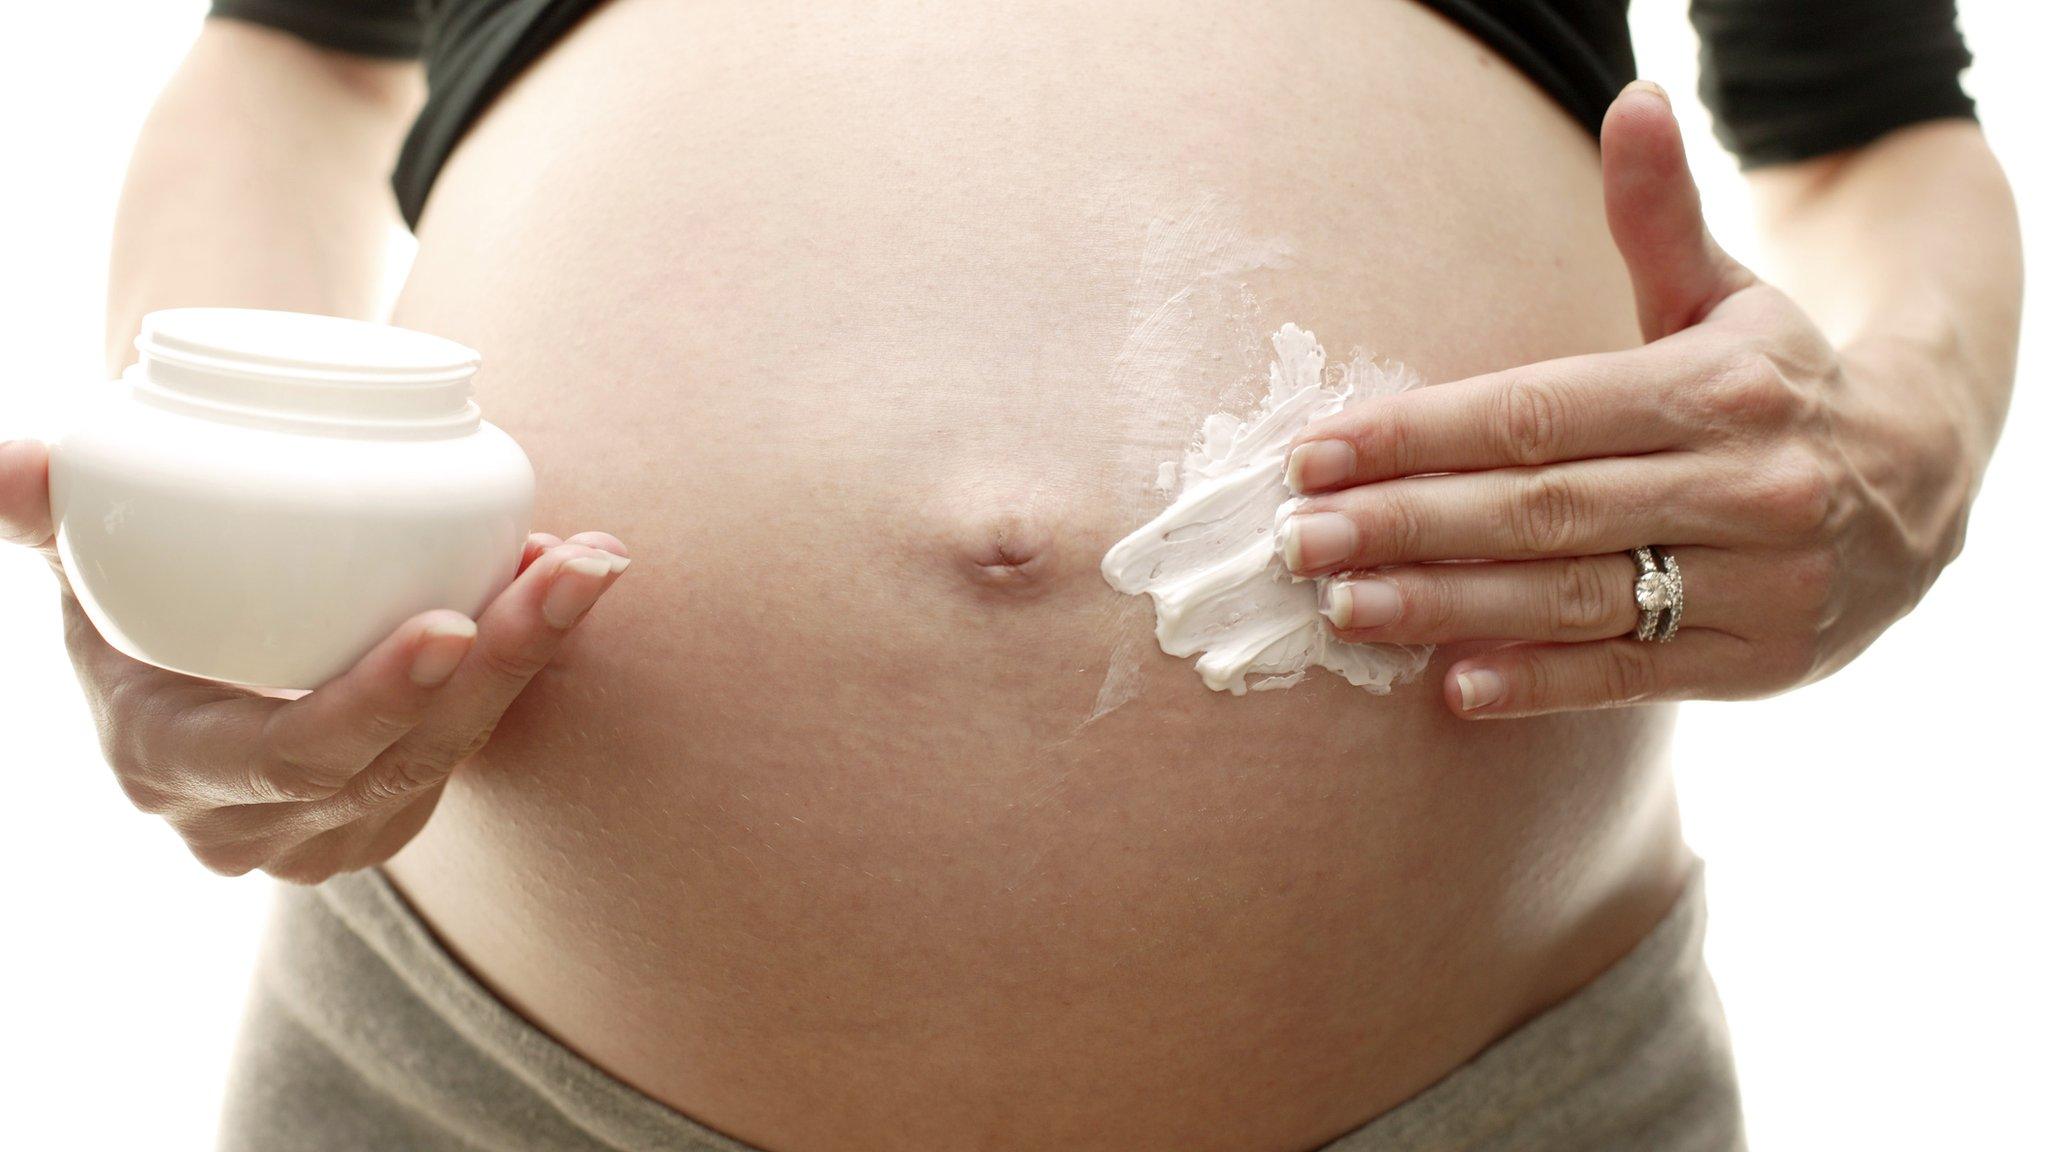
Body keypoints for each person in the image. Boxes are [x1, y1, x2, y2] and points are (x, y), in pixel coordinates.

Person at [0, 1, 2019, 1149]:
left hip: (1481, 1090)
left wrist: (1904, 440)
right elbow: (289, 50)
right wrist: (224, 520)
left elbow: (1865, 128)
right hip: (484, 1085)